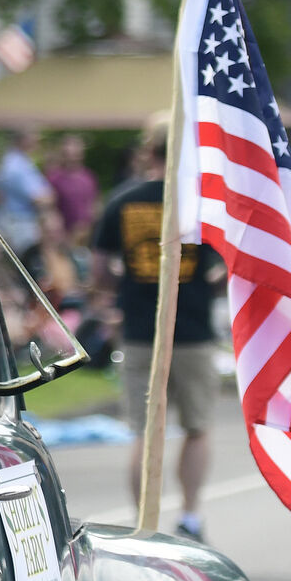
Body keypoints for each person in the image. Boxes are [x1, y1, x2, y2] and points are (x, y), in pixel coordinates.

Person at [93, 133, 223, 540]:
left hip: (138, 331)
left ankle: (142, 521)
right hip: (194, 331)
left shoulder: (121, 202)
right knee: (198, 426)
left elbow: (99, 271)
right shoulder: (201, 205)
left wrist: (127, 286)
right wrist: (201, 283)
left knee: (145, 429)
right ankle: (190, 515)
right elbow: (223, 270)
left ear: (148, 154)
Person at [0, 128, 56, 263]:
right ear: (23, 140)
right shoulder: (15, 165)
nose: (37, 141)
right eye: (34, 137)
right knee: (27, 263)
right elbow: (39, 199)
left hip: (24, 222)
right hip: (21, 224)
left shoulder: (22, 162)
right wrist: (50, 197)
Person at [45, 133, 99, 245]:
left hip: (86, 234)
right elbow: (50, 208)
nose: (72, 155)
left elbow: (94, 204)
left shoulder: (88, 177)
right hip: (64, 235)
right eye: (68, 152)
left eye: (75, 151)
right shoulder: (54, 178)